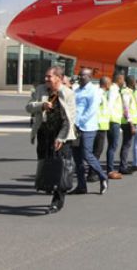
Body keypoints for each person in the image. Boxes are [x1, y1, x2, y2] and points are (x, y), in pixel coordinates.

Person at [26, 66, 77, 214]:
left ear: (59, 78)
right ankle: (48, 185)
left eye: (49, 76)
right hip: (44, 134)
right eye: (46, 76)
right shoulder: (41, 90)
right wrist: (41, 105)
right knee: (45, 161)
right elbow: (29, 107)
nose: (46, 79)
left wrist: (61, 137)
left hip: (62, 135)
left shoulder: (67, 94)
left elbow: (70, 119)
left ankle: (57, 201)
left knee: (62, 167)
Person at [73, 68, 108, 194]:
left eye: (83, 75)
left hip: (87, 127)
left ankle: (102, 176)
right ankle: (81, 186)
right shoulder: (76, 90)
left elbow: (91, 109)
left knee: (87, 154)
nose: (81, 77)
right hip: (74, 128)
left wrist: (79, 121)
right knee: (77, 158)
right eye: (80, 75)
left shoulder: (94, 91)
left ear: (89, 77)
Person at [88, 77, 111, 183]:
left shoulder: (102, 94)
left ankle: (92, 173)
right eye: (109, 83)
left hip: (101, 126)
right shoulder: (100, 94)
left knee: (96, 151)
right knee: (97, 151)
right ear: (106, 84)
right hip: (99, 126)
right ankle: (92, 174)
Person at [118, 75, 137, 175]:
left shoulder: (130, 91)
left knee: (127, 144)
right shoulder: (126, 92)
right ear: (131, 82)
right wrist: (131, 124)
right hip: (127, 122)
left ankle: (123, 165)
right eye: (134, 81)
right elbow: (126, 109)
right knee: (126, 144)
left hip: (129, 121)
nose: (135, 83)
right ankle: (123, 166)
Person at [105, 75, 123, 180]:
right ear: (118, 79)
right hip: (113, 121)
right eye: (122, 79)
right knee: (112, 146)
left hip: (114, 120)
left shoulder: (114, 89)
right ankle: (110, 170)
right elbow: (110, 104)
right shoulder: (114, 90)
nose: (123, 81)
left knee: (112, 146)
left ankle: (110, 169)